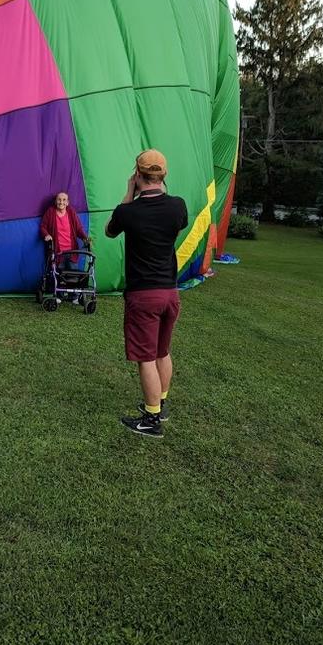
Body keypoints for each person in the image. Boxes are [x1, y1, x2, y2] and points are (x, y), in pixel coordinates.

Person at [105, 150, 188, 438]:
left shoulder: (127, 212)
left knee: (146, 358)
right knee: (162, 351)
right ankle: (160, 404)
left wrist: (129, 192)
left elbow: (109, 231)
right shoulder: (178, 207)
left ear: (137, 175)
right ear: (164, 176)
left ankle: (151, 419)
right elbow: (175, 225)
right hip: (170, 292)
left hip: (144, 295)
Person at [40, 192, 89, 274]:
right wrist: (47, 235)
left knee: (73, 277)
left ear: (67, 203)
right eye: (59, 200)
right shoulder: (50, 212)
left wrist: (84, 238)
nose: (61, 202)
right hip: (58, 253)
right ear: (55, 202)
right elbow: (43, 227)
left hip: (72, 253)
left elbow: (78, 229)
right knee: (59, 278)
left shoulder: (71, 212)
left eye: (64, 200)